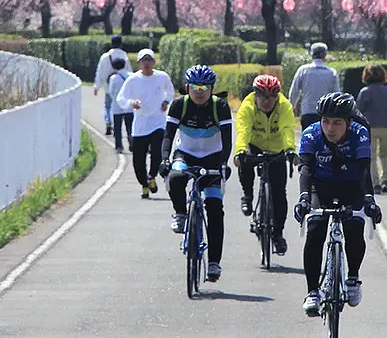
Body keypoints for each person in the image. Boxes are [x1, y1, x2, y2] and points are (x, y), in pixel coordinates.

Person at [294, 92, 382, 316]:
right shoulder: (311, 134)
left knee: (354, 228)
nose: (330, 128)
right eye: (325, 121)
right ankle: (312, 291)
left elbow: (364, 171)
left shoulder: (359, 134)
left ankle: (353, 278)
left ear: (348, 123)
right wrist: (304, 197)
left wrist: (369, 201)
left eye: (337, 122)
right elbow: (305, 169)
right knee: (315, 229)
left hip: (352, 184)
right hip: (321, 186)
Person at [159, 65, 232, 283]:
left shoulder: (220, 107)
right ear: (187, 87)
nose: (199, 91)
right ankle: (181, 213)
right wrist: (165, 159)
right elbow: (168, 136)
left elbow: (227, 141)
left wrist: (223, 164)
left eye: (205, 87)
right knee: (176, 177)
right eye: (195, 87)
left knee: (215, 209)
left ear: (211, 89)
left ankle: (213, 263)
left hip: (213, 157)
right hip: (186, 154)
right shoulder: (179, 105)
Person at [233, 74, 296, 256]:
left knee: (279, 194)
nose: (267, 101)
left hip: (277, 148)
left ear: (277, 96)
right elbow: (243, 130)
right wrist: (241, 151)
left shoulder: (284, 106)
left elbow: (286, 129)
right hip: (254, 143)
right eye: (262, 96)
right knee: (245, 161)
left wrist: (290, 149)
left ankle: (278, 234)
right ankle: (247, 195)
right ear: (255, 95)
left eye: (271, 97)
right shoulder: (248, 106)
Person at [118, 48, 174, 198]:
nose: (147, 63)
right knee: (138, 159)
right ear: (138, 63)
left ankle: (152, 176)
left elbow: (170, 91)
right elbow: (120, 98)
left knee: (157, 152)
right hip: (141, 124)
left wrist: (166, 101)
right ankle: (144, 183)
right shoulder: (133, 79)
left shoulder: (162, 77)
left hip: (158, 122)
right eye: (144, 60)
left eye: (149, 60)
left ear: (154, 62)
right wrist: (131, 103)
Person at [356, 64, 387, 194]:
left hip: (369, 127)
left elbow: (359, 111)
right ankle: (385, 180)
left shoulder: (365, 92)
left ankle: (375, 183)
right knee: (384, 154)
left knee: (372, 156)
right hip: (385, 127)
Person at [288, 42, 340, 129]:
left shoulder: (303, 70)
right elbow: (336, 94)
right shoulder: (331, 72)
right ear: (325, 55)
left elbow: (295, 90)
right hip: (325, 113)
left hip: (307, 111)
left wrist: (292, 105)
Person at [94, 35, 132, 135]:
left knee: (107, 106)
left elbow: (99, 72)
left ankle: (108, 123)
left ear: (111, 43)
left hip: (108, 86)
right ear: (120, 44)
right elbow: (129, 72)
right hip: (122, 86)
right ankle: (118, 127)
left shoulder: (105, 57)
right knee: (120, 108)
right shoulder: (124, 56)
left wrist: (96, 86)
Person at [107, 58, 133, 153]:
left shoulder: (113, 78)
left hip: (117, 107)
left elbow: (111, 92)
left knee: (117, 127)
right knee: (130, 126)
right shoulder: (131, 76)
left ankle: (119, 146)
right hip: (129, 106)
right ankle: (132, 142)